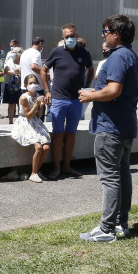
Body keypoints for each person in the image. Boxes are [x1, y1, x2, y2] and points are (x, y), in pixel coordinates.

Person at [78, 14, 138, 242]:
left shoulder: (117, 57)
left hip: (111, 128)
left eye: (105, 32)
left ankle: (107, 229)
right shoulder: (132, 56)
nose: (102, 36)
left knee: (110, 178)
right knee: (122, 175)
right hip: (124, 126)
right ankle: (119, 223)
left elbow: (113, 90)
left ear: (116, 34)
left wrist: (90, 94)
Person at [41, 24, 93, 179]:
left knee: (71, 134)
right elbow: (43, 70)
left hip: (76, 100)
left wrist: (86, 87)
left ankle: (66, 166)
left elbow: (91, 69)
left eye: (72, 36)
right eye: (66, 36)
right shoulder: (56, 52)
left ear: (76, 36)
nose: (69, 39)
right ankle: (56, 168)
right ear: (63, 37)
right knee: (58, 134)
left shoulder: (83, 52)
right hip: (58, 99)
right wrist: (47, 91)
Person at [11, 74, 51, 183]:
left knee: (46, 147)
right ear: (25, 85)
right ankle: (33, 173)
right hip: (25, 123)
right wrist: (36, 104)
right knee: (38, 147)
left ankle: (36, 171)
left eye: (35, 83)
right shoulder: (24, 97)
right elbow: (28, 115)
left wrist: (41, 107)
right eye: (30, 83)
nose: (33, 85)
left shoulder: (38, 95)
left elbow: (38, 115)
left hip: (35, 122)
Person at [2, 47, 22, 124]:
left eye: (14, 52)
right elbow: (6, 71)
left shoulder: (22, 61)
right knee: (11, 104)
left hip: (20, 85)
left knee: (20, 103)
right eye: (12, 52)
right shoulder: (9, 62)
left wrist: (18, 72)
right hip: (11, 85)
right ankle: (11, 121)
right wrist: (15, 72)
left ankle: (21, 121)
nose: (12, 54)